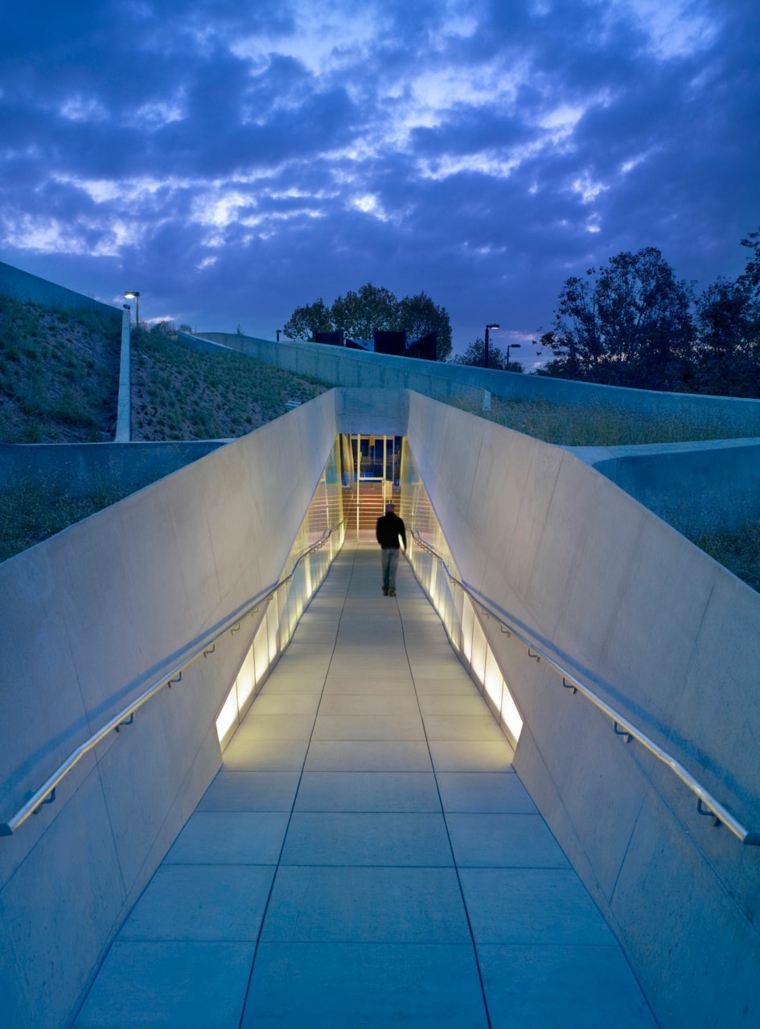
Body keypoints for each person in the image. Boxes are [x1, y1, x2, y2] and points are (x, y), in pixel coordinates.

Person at [375, 500, 407, 596]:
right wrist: (404, 547)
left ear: (386, 509)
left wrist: (381, 542)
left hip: (385, 548)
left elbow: (378, 534)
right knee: (393, 570)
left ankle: (385, 588)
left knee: (385, 569)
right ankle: (392, 590)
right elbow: (403, 535)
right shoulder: (399, 520)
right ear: (393, 509)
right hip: (395, 548)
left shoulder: (381, 520)